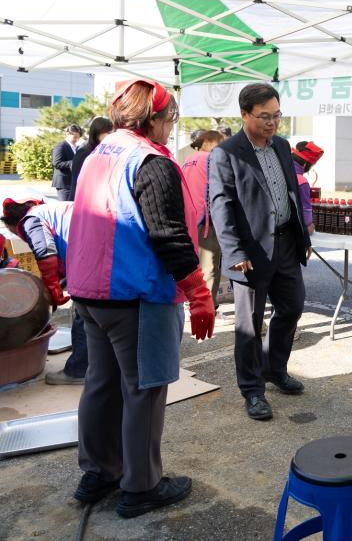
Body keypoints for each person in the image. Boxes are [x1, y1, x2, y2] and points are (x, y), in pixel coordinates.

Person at [66, 78, 215, 518]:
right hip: (135, 295)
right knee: (145, 391)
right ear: (154, 119)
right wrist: (198, 290)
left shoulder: (99, 153)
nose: (171, 128)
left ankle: (98, 472)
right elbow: (167, 234)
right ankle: (141, 486)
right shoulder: (150, 161)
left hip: (92, 294)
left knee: (101, 384)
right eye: (170, 119)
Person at [209, 83, 311, 421]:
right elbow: (220, 206)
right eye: (264, 116)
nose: (272, 123)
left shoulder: (281, 146)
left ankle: (274, 368)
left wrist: (302, 238)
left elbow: (291, 192)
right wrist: (234, 250)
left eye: (277, 115)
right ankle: (252, 390)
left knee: (292, 308)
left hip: (285, 244)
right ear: (244, 114)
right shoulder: (227, 153)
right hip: (249, 252)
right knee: (249, 326)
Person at [1, 197, 88, 385]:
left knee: (85, 311)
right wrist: (56, 283)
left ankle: (79, 371)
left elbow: (46, 255)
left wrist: (53, 288)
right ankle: (100, 366)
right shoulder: (52, 211)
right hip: (100, 251)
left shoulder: (30, 220)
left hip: (90, 257)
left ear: (13, 224)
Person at [181, 130, 226, 308]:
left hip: (189, 219)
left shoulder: (189, 159)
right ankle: (207, 308)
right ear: (212, 143)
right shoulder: (211, 159)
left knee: (194, 266)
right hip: (207, 221)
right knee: (209, 268)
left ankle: (191, 303)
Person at [70, 116, 114, 200]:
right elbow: (77, 181)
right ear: (98, 132)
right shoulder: (84, 152)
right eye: (109, 132)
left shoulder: (104, 150)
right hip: (82, 200)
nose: (111, 136)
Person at [291, 141, 324, 235]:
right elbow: (306, 214)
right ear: (305, 164)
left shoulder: (281, 173)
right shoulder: (302, 181)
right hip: (294, 235)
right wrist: (310, 227)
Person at [52, 124, 83, 201]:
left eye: (78, 138)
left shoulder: (75, 147)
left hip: (72, 183)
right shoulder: (61, 146)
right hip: (64, 184)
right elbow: (57, 163)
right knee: (65, 207)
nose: (76, 139)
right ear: (68, 134)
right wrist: (72, 162)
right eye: (75, 137)